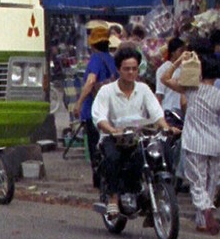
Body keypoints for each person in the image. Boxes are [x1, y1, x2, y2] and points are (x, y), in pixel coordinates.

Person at [91, 46, 172, 220]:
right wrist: (113, 130)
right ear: (119, 69)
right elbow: (99, 117)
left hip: (138, 137)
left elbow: (156, 113)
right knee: (113, 158)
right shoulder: (107, 91)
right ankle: (113, 198)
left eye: (134, 69)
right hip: (113, 138)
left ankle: (144, 193)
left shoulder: (143, 89)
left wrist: (165, 126)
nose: (131, 72)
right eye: (127, 69)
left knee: (154, 155)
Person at [178, 53, 220, 234]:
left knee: (197, 182)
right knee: (210, 184)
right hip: (216, 142)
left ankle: (205, 212)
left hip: (194, 142)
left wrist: (179, 63)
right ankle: (202, 222)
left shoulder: (190, 89)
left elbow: (165, 79)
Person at [72, 26, 119, 184]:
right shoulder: (112, 60)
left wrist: (79, 103)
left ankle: (99, 179)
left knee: (95, 147)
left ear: (92, 44)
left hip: (94, 111)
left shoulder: (96, 59)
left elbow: (91, 81)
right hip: (110, 111)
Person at [155, 37, 188, 116]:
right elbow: (159, 94)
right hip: (168, 109)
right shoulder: (163, 69)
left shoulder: (185, 68)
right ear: (173, 52)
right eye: (181, 51)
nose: (184, 54)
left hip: (182, 111)